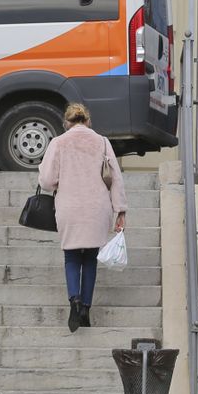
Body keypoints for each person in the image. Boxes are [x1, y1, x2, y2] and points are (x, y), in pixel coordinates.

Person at [37, 103, 127, 332]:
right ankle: (86, 308)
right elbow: (115, 178)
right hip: (98, 208)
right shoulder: (102, 142)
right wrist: (121, 210)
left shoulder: (58, 143)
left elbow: (46, 181)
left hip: (69, 206)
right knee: (90, 259)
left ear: (67, 122)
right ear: (87, 121)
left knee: (72, 256)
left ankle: (74, 302)